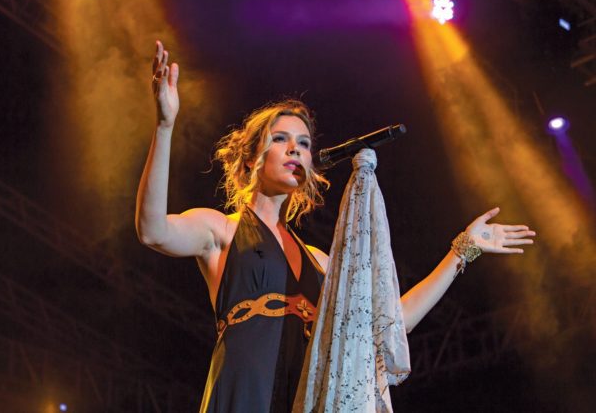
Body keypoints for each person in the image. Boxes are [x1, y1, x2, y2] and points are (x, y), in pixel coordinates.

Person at [135, 41, 536, 413]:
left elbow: (392, 320)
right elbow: (153, 230)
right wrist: (165, 126)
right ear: (250, 158)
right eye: (280, 138)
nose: (296, 148)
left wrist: (463, 249)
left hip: (303, 396)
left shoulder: (319, 261)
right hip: (244, 392)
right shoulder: (221, 229)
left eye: (305, 143)